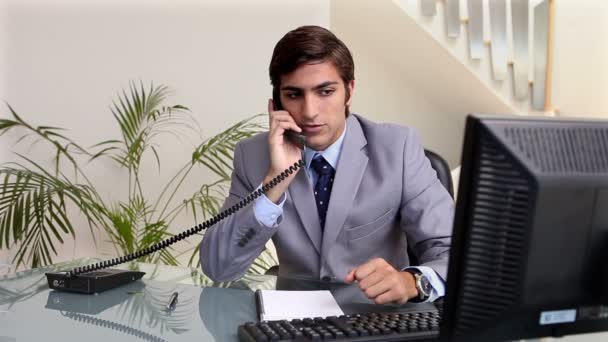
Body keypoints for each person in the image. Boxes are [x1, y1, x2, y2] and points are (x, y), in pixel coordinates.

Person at [201, 25, 454, 304]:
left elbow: (453, 249)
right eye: (295, 94)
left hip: (377, 320)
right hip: (294, 324)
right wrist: (273, 184)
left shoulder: (398, 148)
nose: (309, 112)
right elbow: (219, 268)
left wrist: (413, 282)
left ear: (349, 90)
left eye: (325, 91)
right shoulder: (253, 156)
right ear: (277, 104)